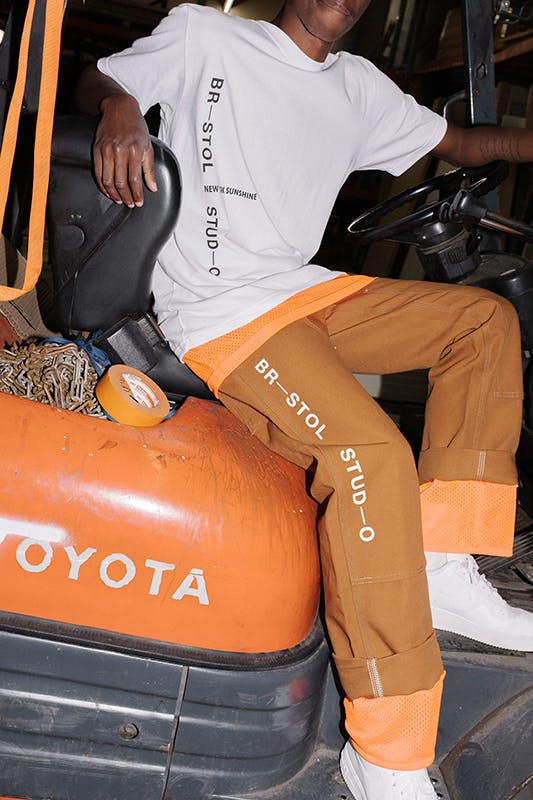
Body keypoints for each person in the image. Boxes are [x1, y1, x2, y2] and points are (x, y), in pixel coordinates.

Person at [75, 1, 533, 797]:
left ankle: (437, 563)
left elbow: (462, 145)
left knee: (482, 322)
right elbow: (97, 78)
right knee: (369, 457)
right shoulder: (205, 35)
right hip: (218, 310)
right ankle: (384, 755)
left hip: (299, 291)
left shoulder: (358, 86)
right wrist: (118, 105)